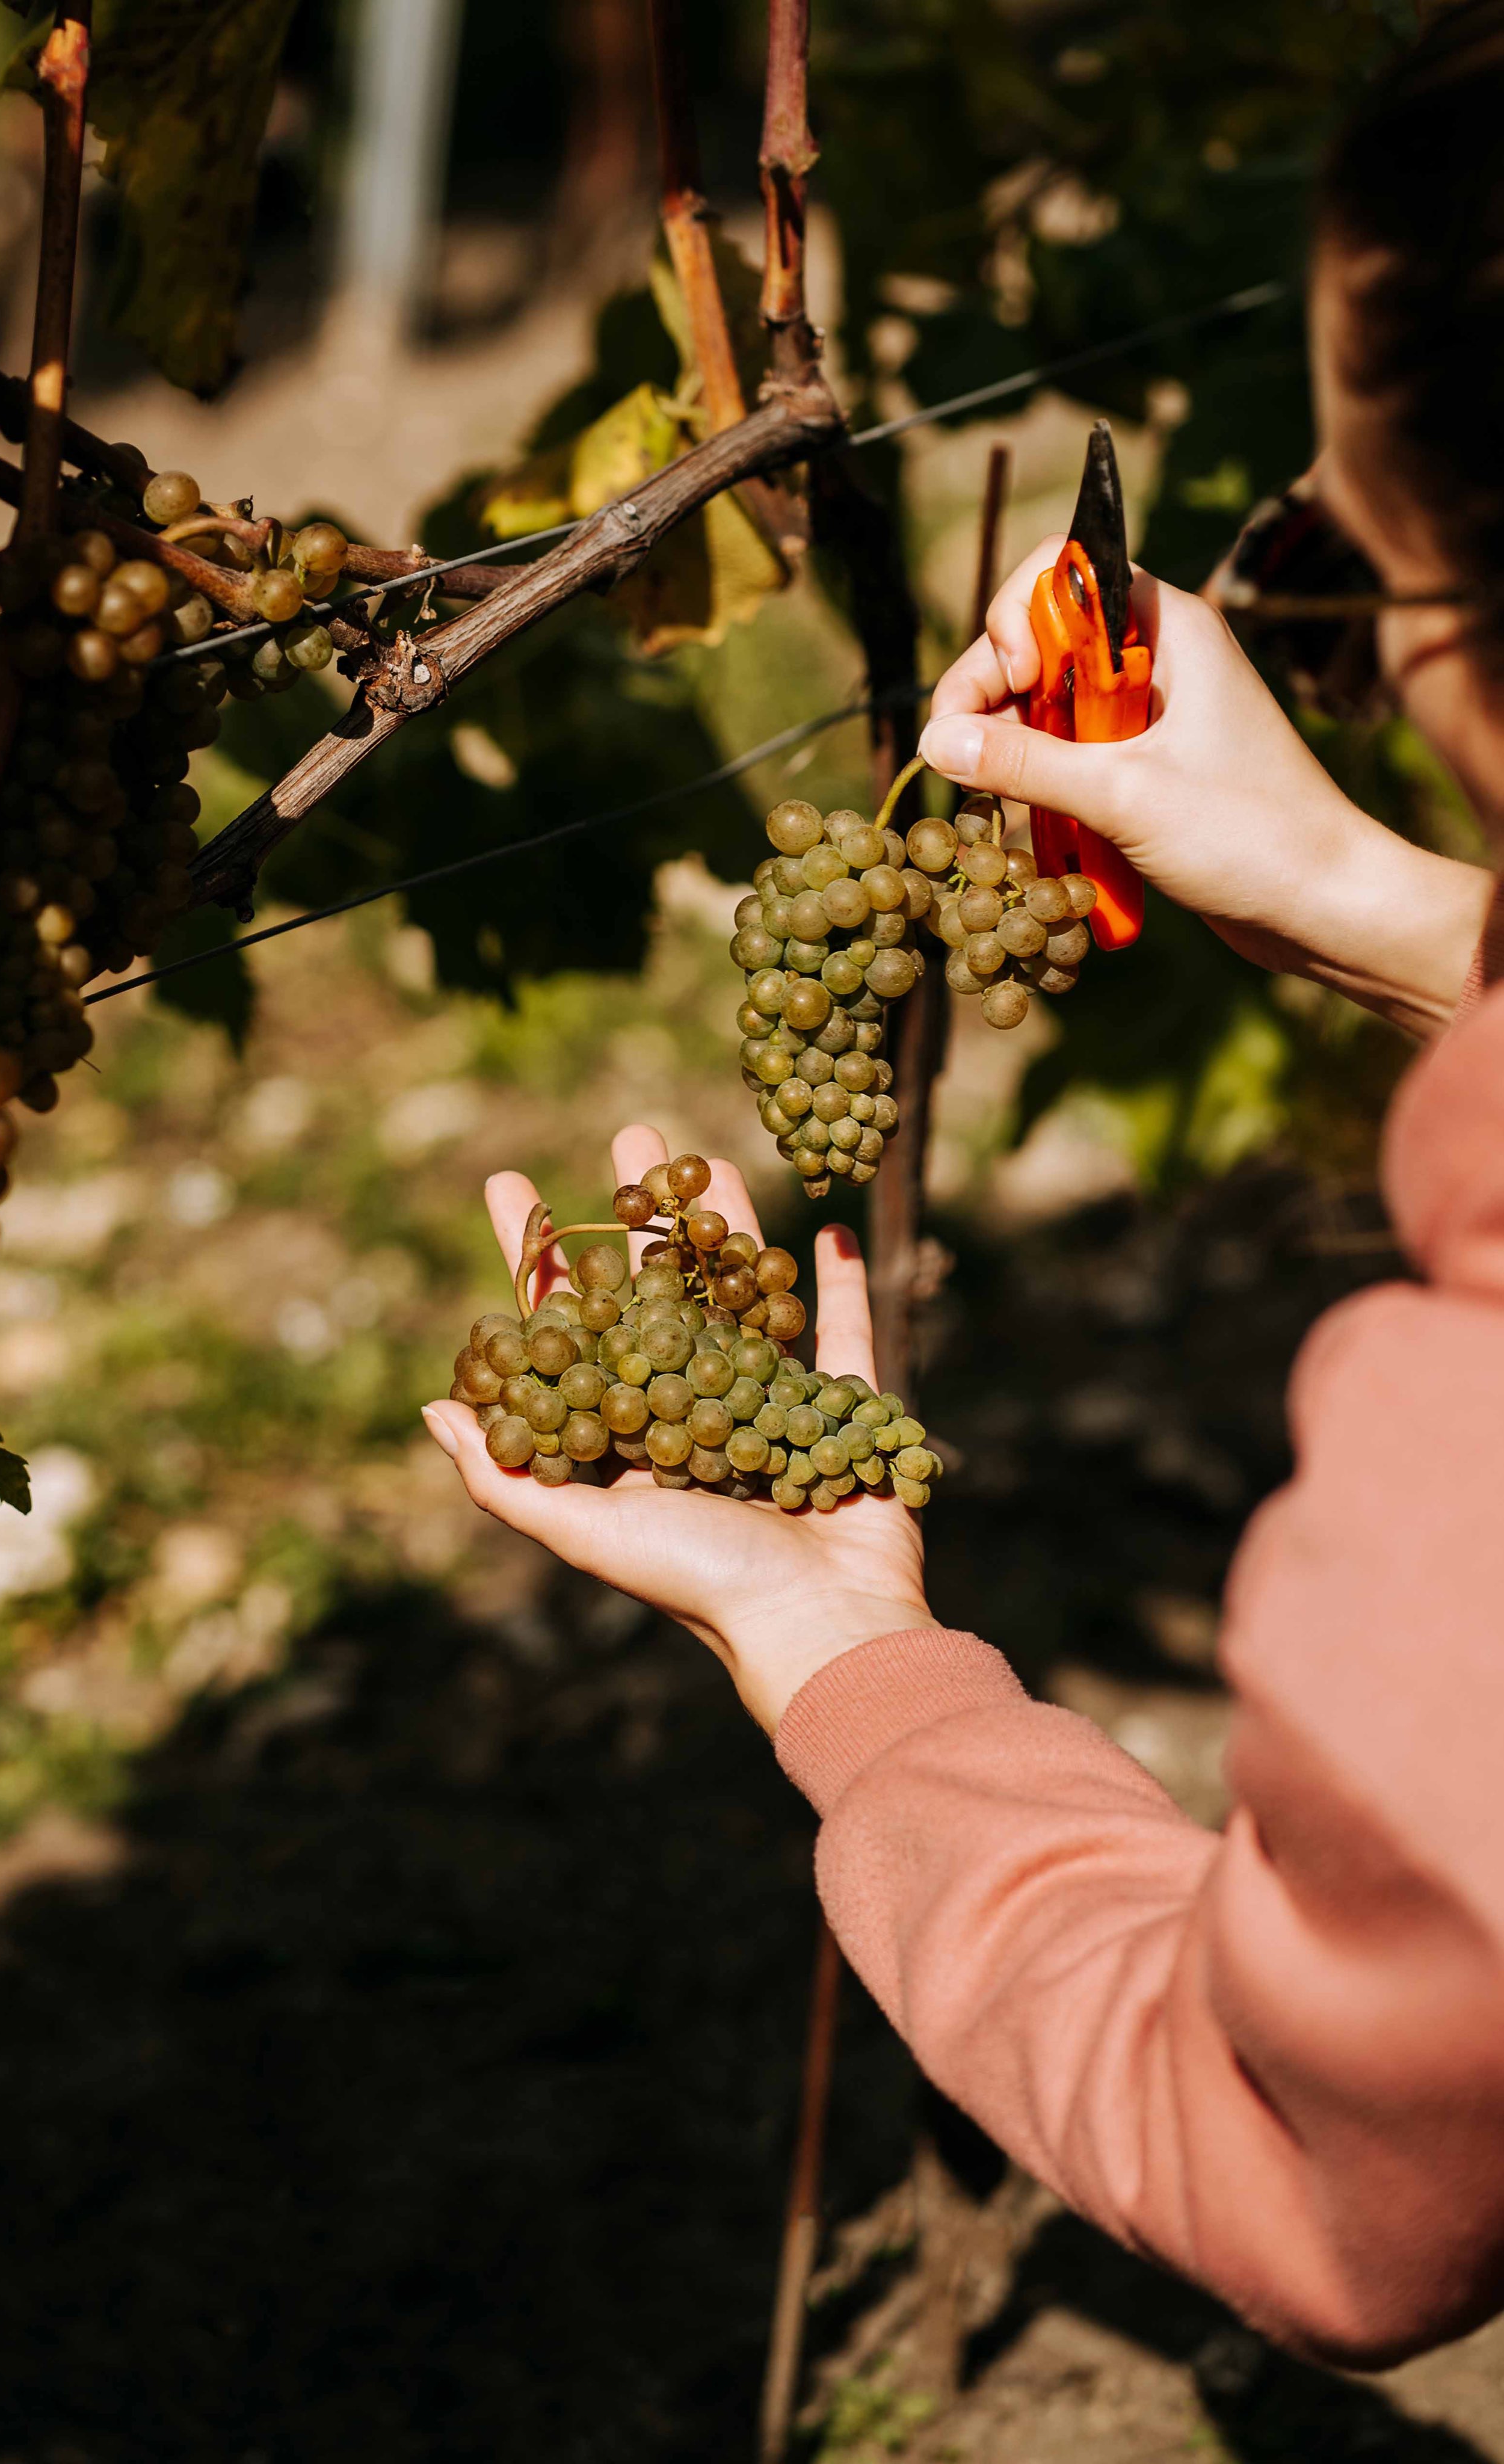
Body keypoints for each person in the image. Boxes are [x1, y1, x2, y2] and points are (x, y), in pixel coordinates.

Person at [422, 1, 1504, 2368]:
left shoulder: (1471, 1483)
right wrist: (1392, 910)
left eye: (1337, 560)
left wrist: (855, 1673)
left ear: (1451, 634)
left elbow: (1312, 2180)